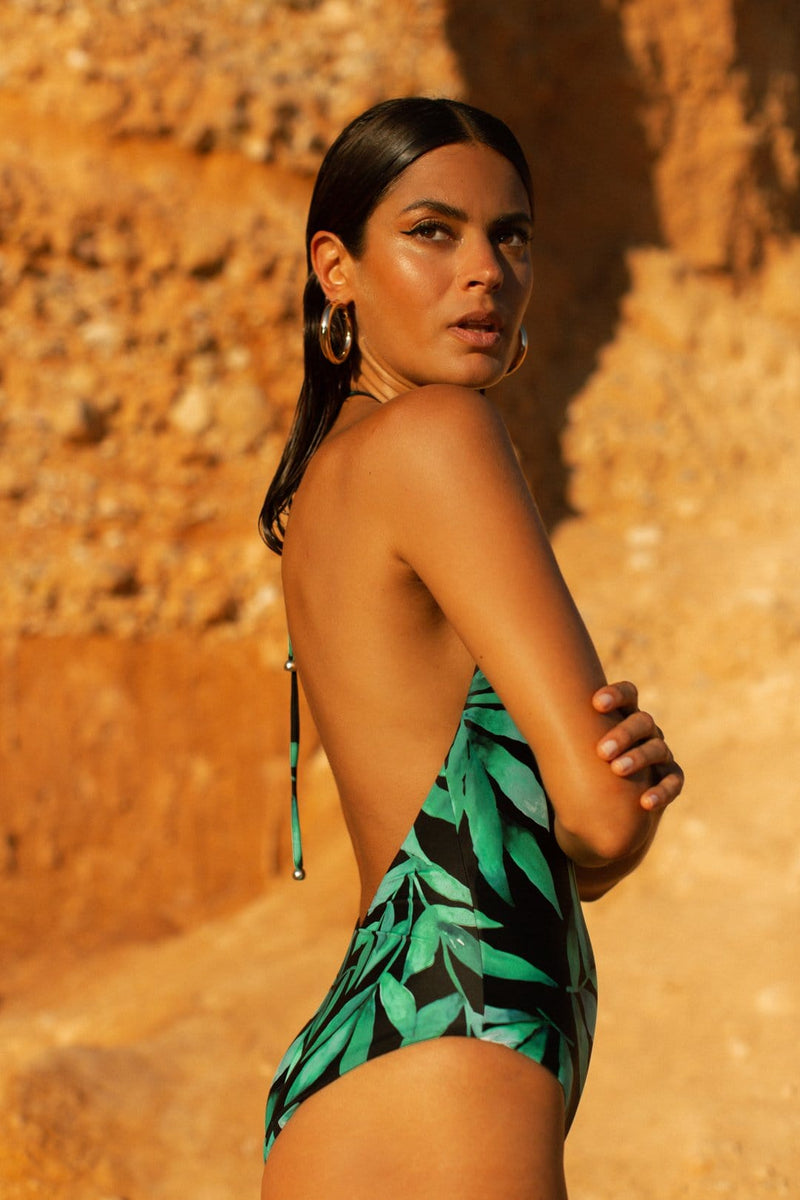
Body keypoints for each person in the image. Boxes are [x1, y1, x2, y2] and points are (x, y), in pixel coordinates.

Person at [258, 97, 682, 1200]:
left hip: (363, 1049)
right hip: (457, 1041)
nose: (484, 270)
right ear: (335, 268)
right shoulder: (440, 436)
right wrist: (629, 795)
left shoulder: (320, 491)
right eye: (432, 232)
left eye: (511, 236)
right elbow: (591, 822)